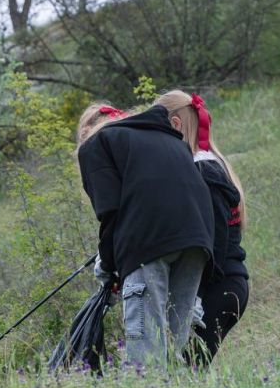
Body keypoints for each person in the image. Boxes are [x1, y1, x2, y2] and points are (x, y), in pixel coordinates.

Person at [76, 101, 214, 368]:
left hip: (148, 241)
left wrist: (108, 267)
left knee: (145, 344)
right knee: (174, 342)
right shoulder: (164, 137)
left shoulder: (95, 145)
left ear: (85, 133)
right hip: (198, 237)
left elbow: (110, 213)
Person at [154, 91, 249, 365]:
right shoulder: (203, 167)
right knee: (183, 371)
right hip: (219, 286)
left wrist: (196, 296)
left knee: (184, 372)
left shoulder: (204, 171)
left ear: (175, 124)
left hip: (219, 288)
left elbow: (216, 242)